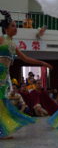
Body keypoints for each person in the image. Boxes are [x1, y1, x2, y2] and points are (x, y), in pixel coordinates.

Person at [0, 10, 52, 139]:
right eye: (12, 26)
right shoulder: (1, 39)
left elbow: (26, 59)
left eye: (16, 26)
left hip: (5, 76)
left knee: (2, 102)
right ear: (6, 29)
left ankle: (2, 131)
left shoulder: (13, 44)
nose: (15, 28)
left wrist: (42, 62)